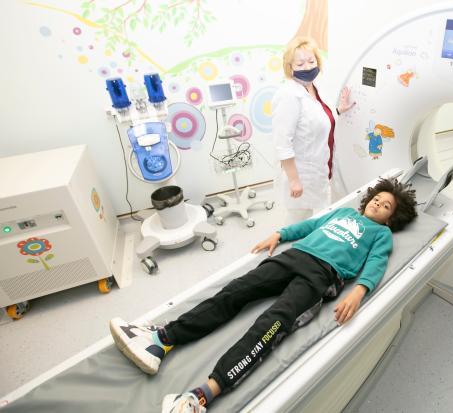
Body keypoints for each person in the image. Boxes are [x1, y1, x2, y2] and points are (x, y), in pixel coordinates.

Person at [109, 178, 417, 413]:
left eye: (385, 206)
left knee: (273, 321)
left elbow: (377, 262)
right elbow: (310, 225)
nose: (377, 204)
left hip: (321, 276)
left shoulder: (381, 234)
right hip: (294, 255)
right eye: (376, 199)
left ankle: (199, 397)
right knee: (236, 291)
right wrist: (280, 234)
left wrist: (359, 291)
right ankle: (161, 340)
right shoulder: (343, 212)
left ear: (391, 219)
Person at [272, 36, 355, 225]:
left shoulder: (313, 88)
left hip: (321, 166)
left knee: (316, 214)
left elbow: (315, 121)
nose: (308, 67)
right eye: (300, 63)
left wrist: (338, 110)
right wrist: (294, 180)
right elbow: (282, 143)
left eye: (311, 61)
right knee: (297, 222)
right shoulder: (288, 95)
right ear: (290, 67)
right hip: (302, 173)